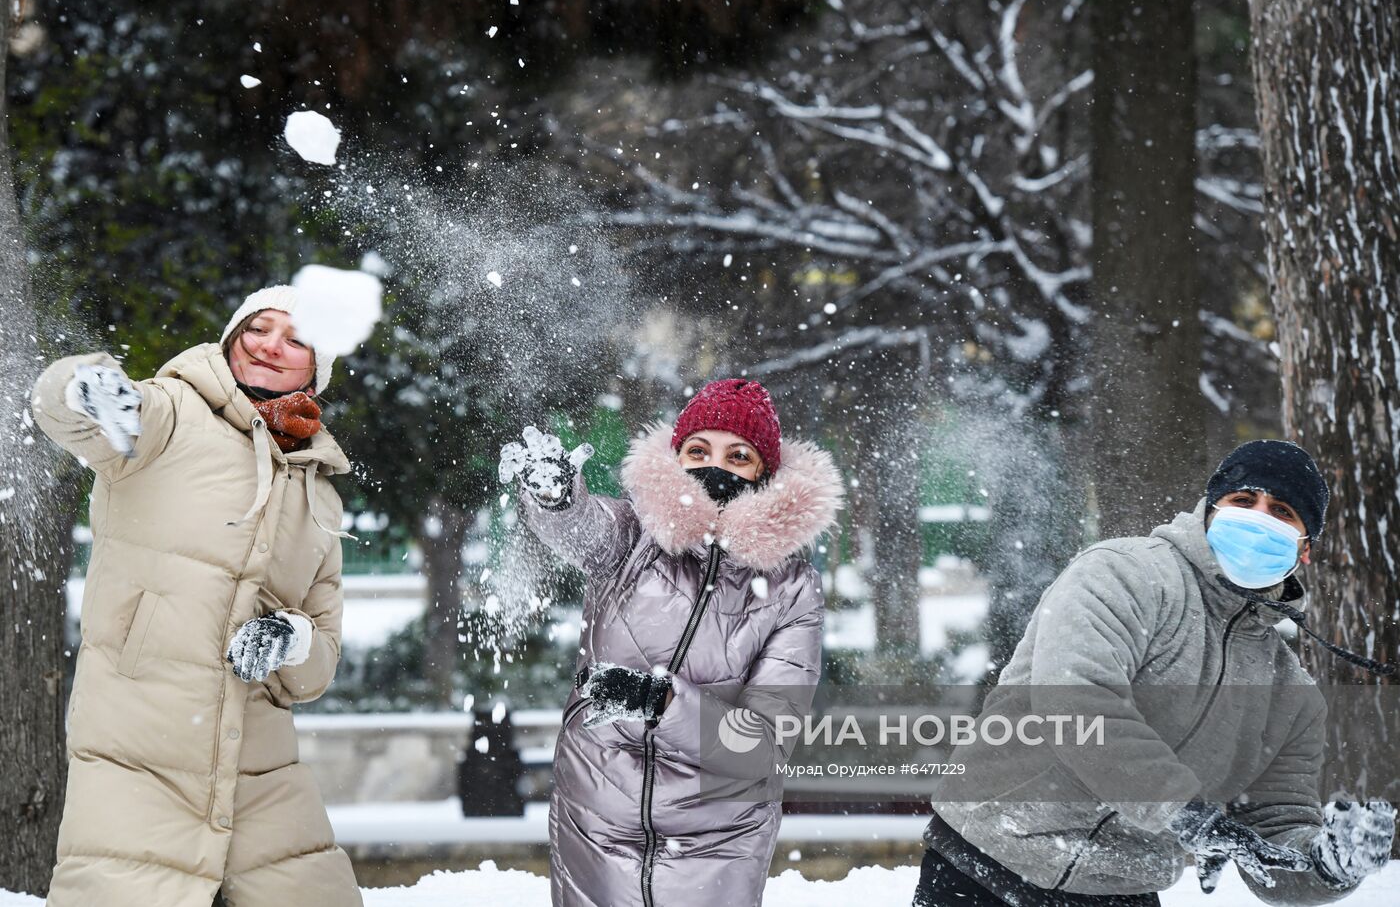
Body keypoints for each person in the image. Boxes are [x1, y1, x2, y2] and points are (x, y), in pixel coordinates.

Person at [916, 439, 1396, 906]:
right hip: (988, 859)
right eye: (1244, 499)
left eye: (1282, 512)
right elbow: (1077, 702)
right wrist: (1187, 813)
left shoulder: (1291, 696)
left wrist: (1329, 865)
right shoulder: (1123, 574)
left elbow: (1274, 835)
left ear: (1305, 547)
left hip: (1120, 889)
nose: (1257, 517)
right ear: (1210, 508)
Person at [31, 287, 362, 906]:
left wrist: (292, 639)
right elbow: (65, 409)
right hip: (136, 757)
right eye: (258, 329)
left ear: (318, 369)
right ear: (233, 337)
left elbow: (319, 664)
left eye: (295, 339)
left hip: (261, 773)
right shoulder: (171, 413)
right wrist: (87, 388)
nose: (271, 345)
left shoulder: (319, 493)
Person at [499, 378, 843, 907]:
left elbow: (763, 747)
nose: (715, 467)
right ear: (675, 457)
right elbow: (582, 526)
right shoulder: (631, 537)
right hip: (594, 821)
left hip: (721, 840)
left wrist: (659, 702)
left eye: (739, 455)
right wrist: (557, 496)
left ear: (765, 474)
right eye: (698, 450)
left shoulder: (789, 588)